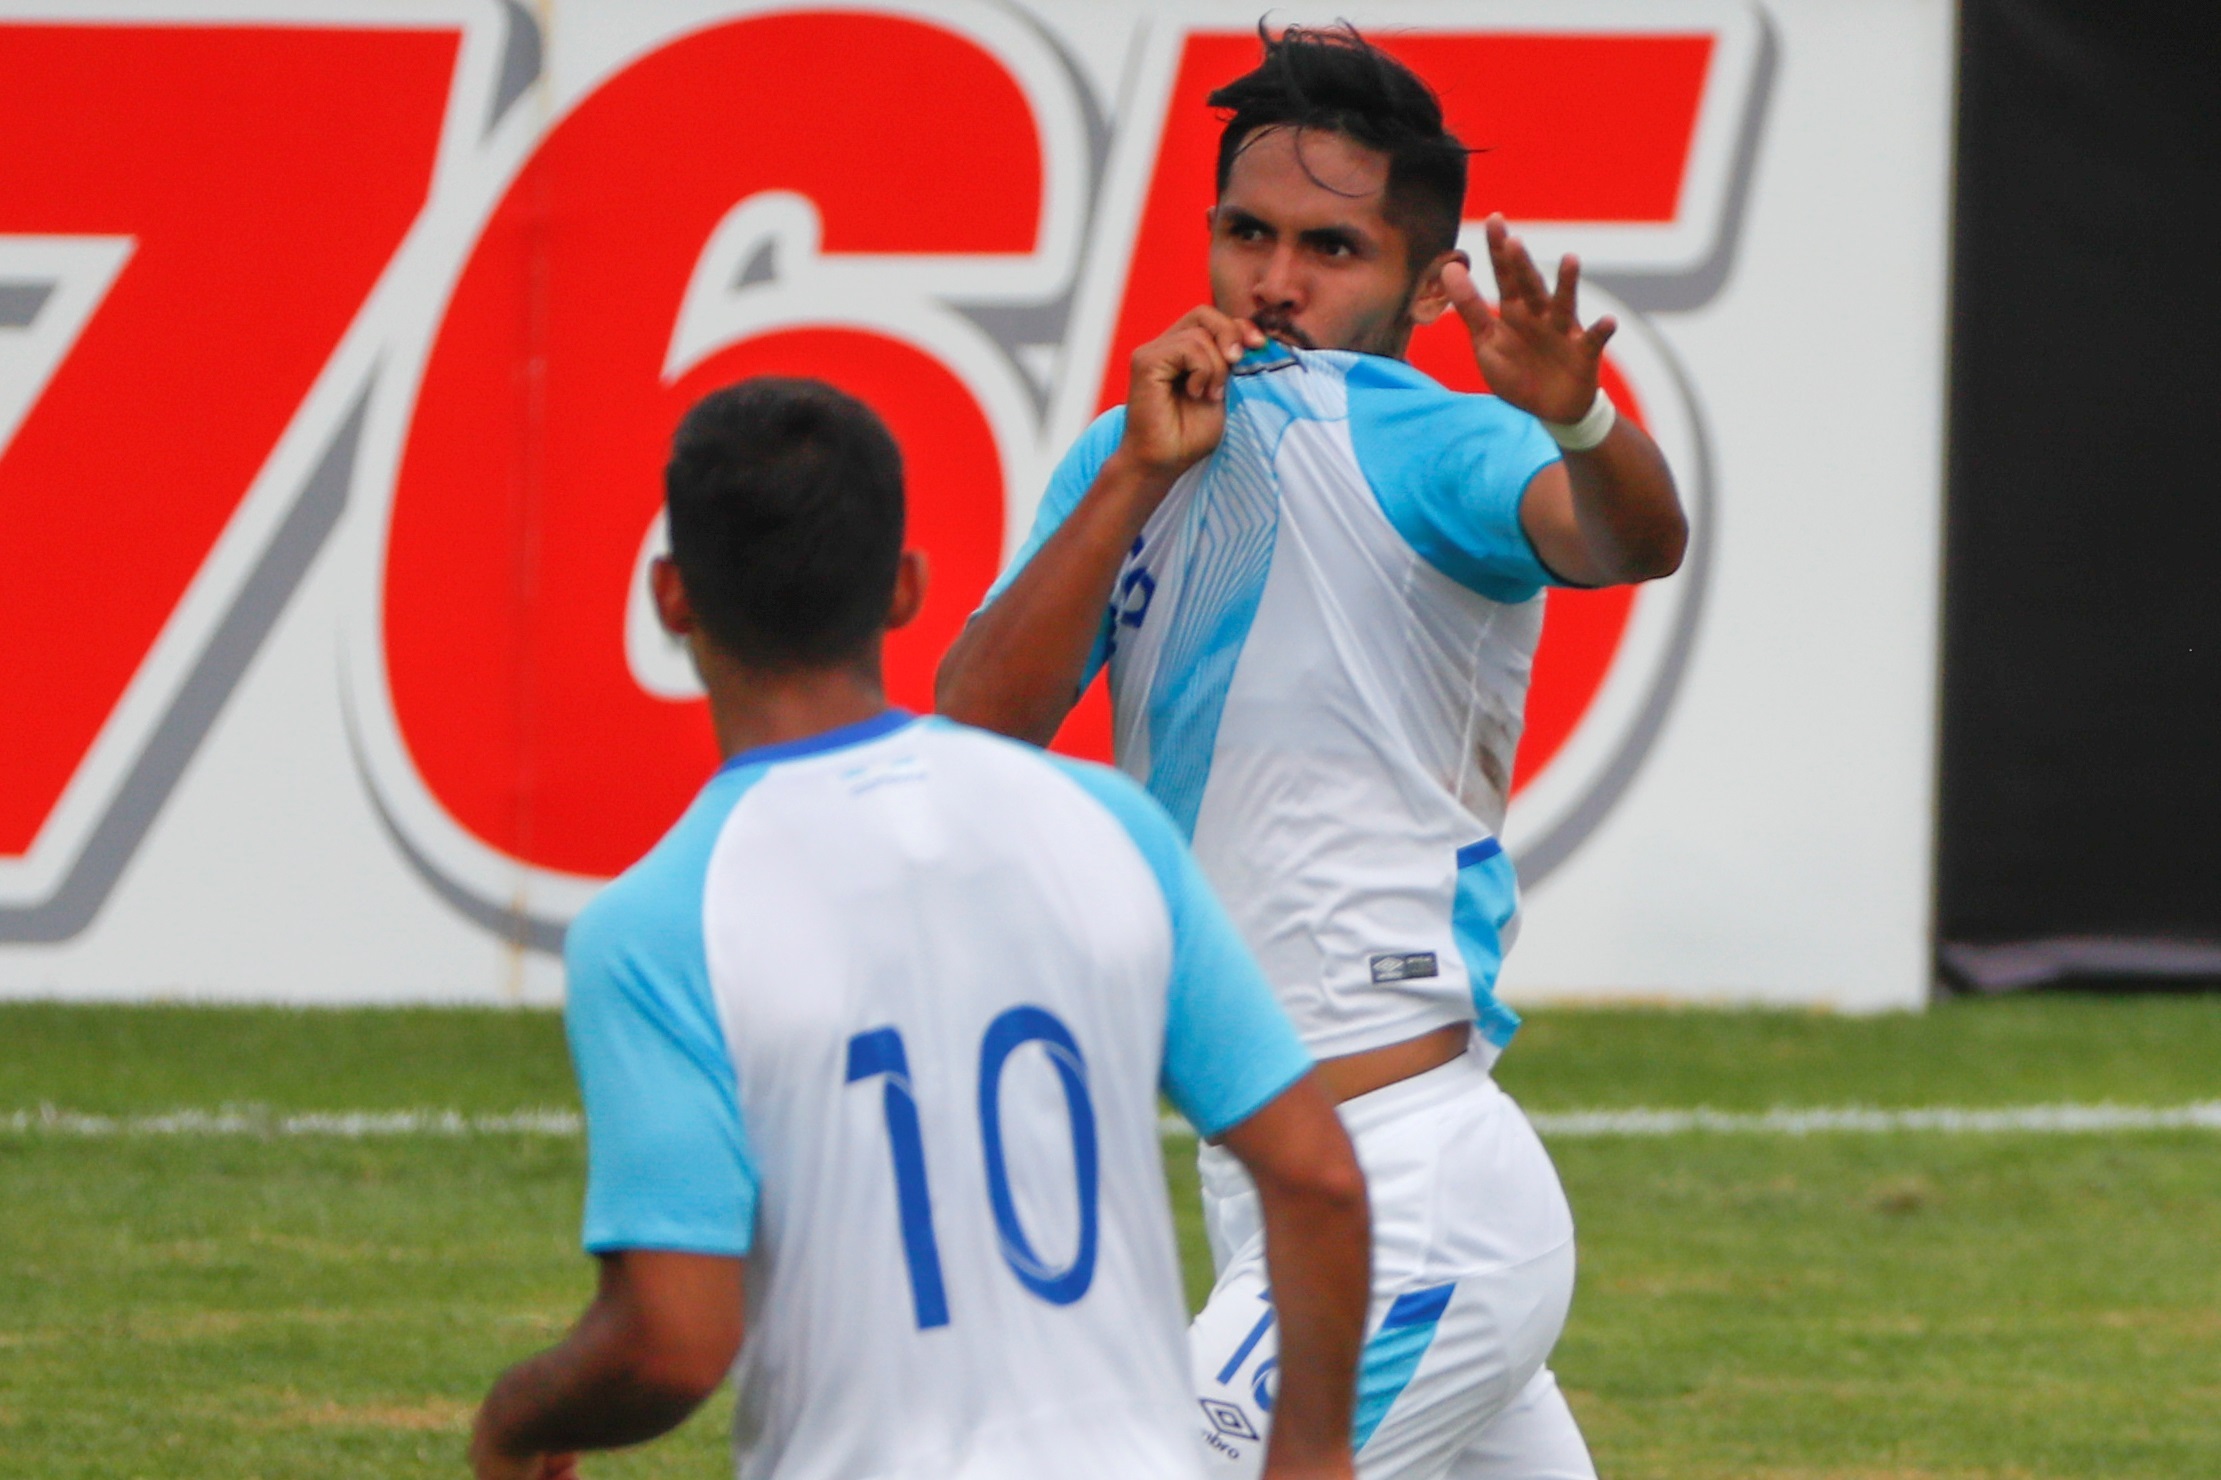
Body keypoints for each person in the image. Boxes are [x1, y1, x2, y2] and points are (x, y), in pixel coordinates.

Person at [937, 23, 1687, 1480]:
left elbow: (1631, 538)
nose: (1274, 281)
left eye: (1330, 249)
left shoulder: (1432, 444)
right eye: (1246, 233)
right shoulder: (1129, 450)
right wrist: (1138, 477)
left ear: (1423, 282)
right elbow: (975, 731)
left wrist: (1579, 414)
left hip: (1408, 1193)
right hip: (1274, 1180)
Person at [470, 377, 1372, 1480]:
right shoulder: (1104, 825)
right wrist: (1314, 1453)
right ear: (905, 590)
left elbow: (671, 1342)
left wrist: (518, 1417)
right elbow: (1319, 1175)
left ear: (669, 597)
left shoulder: (659, 924)